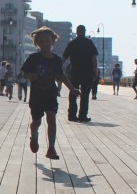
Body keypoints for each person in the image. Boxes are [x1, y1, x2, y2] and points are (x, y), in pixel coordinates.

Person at [21, 27, 80, 160]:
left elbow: (61, 76)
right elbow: (24, 74)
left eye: (47, 41)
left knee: (51, 118)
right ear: (37, 43)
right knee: (36, 122)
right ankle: (34, 136)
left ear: (53, 41)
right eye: (41, 41)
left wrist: (72, 89)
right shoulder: (33, 58)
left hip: (50, 94)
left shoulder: (56, 60)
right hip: (36, 95)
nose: (44, 44)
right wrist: (30, 76)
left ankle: (51, 148)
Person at [63, 25, 98, 122]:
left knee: (73, 92)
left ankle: (72, 115)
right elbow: (94, 58)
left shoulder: (72, 43)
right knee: (85, 94)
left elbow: (64, 57)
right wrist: (95, 70)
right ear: (84, 31)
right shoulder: (89, 42)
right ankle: (82, 115)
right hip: (87, 71)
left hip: (75, 71)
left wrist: (59, 67)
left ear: (77, 31)